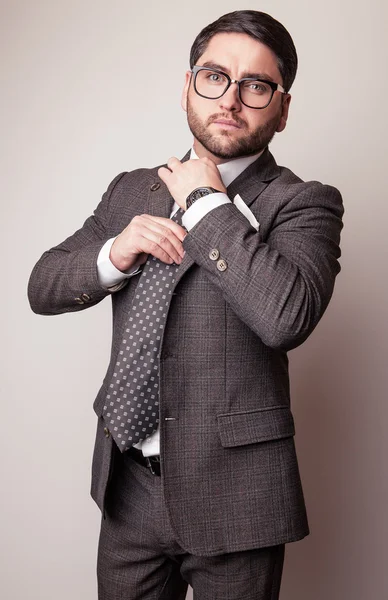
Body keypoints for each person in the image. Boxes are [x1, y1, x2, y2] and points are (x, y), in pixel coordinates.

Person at [28, 9, 344, 600]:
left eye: (256, 85)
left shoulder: (303, 204)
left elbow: (286, 316)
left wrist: (204, 201)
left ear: (281, 108)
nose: (230, 98)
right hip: (128, 487)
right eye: (214, 76)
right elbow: (42, 285)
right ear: (187, 88)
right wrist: (112, 256)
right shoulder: (131, 190)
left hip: (236, 496)